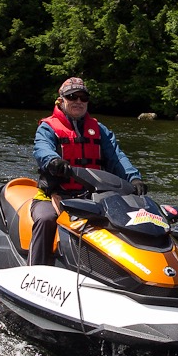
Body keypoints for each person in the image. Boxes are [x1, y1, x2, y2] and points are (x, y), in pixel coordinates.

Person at [29, 77, 146, 266]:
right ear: (61, 100)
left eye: (83, 97)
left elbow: (117, 157)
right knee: (46, 219)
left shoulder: (99, 130)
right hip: (56, 195)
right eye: (72, 96)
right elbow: (42, 149)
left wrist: (133, 179)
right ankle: (34, 270)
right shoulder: (48, 128)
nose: (78, 101)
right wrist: (54, 160)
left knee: (124, 220)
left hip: (94, 197)